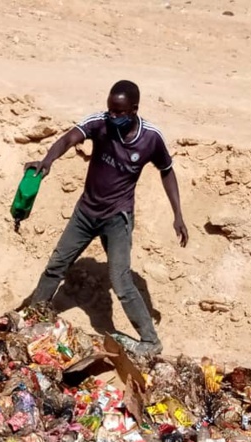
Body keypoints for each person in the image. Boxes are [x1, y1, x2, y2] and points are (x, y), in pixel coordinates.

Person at [24, 80, 188, 357]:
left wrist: (178, 214)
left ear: (134, 110)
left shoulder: (151, 138)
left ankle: (150, 340)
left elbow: (167, 170)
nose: (112, 117)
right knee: (56, 265)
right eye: (110, 110)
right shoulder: (99, 123)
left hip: (117, 218)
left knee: (121, 281)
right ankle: (31, 320)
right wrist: (48, 160)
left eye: (119, 112)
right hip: (85, 213)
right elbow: (68, 139)